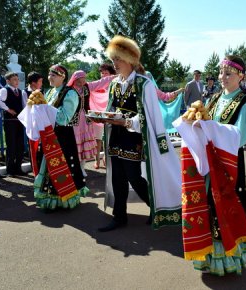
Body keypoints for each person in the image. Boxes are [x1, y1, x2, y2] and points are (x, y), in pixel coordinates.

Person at [175, 55, 246, 276]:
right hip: (209, 161)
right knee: (210, 206)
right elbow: (204, 126)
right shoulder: (215, 98)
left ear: (241, 76)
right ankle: (210, 255)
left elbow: (241, 136)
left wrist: (210, 128)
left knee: (227, 207)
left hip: (228, 162)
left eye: (228, 73)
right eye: (221, 73)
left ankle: (229, 257)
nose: (223, 77)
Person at [96, 35, 181, 232]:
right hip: (116, 137)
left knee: (134, 177)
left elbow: (151, 119)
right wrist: (104, 118)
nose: (114, 64)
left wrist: (126, 121)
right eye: (113, 59)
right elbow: (112, 109)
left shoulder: (145, 85)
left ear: (130, 60)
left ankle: (154, 207)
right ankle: (119, 217)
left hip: (134, 139)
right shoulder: (115, 84)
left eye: (118, 59)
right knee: (117, 177)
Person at [19, 64, 90, 210]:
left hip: (63, 137)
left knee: (61, 167)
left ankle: (64, 199)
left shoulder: (70, 93)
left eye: (53, 75)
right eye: (49, 74)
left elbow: (64, 118)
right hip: (49, 135)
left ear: (62, 77)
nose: (49, 77)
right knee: (48, 167)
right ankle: (48, 198)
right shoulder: (50, 91)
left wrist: (44, 107)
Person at [67, 70, 115, 176]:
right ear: (75, 79)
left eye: (84, 78)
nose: (83, 81)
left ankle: (82, 168)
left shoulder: (87, 87)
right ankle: (73, 169)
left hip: (86, 121)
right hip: (73, 122)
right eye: (81, 79)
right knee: (74, 145)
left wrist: (113, 77)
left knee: (84, 146)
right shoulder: (68, 90)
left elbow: (101, 82)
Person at [0, 72, 26, 176]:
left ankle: (18, 168)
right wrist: (7, 109)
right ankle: (10, 170)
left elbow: (25, 106)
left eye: (17, 79)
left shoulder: (21, 92)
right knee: (11, 145)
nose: (17, 81)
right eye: (14, 79)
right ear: (8, 81)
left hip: (19, 121)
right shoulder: (4, 90)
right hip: (10, 122)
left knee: (20, 146)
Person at [91, 63, 116, 169]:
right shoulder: (96, 85)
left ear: (111, 74)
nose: (104, 75)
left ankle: (106, 158)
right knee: (97, 139)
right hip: (98, 116)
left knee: (108, 139)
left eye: (106, 73)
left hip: (110, 116)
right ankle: (97, 160)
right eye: (102, 73)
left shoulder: (115, 85)